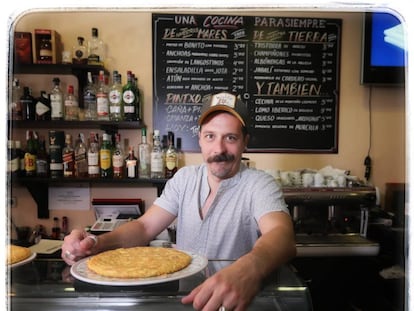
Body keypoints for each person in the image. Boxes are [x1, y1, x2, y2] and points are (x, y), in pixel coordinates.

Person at [62, 91, 297, 311]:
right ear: (200, 140)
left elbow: (282, 235)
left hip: (236, 303)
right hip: (187, 301)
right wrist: (95, 244)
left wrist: (249, 269)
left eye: (231, 138)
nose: (219, 148)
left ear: (245, 142)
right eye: (210, 136)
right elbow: (144, 227)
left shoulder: (259, 184)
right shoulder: (185, 178)